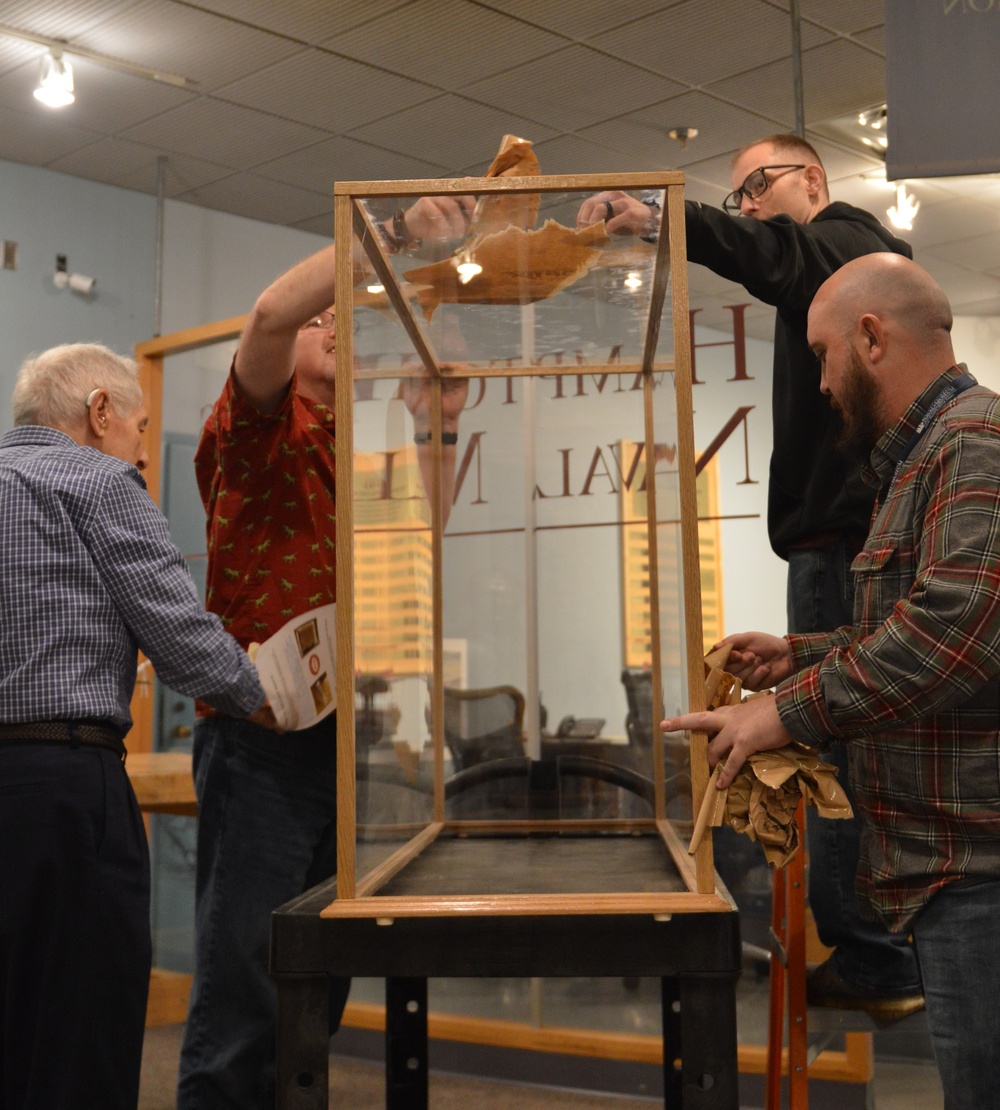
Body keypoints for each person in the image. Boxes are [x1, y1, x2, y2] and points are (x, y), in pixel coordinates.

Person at [578, 133, 922, 1016]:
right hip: (831, 549)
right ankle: (874, 952)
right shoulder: (824, 267)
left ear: (814, 178)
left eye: (756, 186)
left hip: (837, 547)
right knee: (842, 739)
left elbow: (776, 252)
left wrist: (663, 217)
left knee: (840, 746)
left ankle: (876, 958)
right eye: (735, 197)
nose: (749, 207)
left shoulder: (845, 240)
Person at [664, 253, 1000, 1106]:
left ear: (872, 337)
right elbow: (917, 620)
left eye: (822, 355)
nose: (819, 383)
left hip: (978, 869)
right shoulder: (923, 460)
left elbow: (953, 634)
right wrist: (803, 654)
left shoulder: (973, 446)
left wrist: (788, 711)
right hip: (951, 866)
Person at [177, 195, 473, 1110]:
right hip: (262, 738)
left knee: (318, 983)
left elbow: (423, 534)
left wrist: (439, 421)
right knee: (247, 989)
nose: (333, 324)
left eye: (342, 316)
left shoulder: (357, 437)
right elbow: (267, 315)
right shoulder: (256, 426)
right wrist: (384, 241)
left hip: (348, 737)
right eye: (320, 321)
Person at [0, 343, 269, 1110]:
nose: (145, 451)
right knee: (81, 1022)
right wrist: (265, 691)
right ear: (100, 412)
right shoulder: (99, 480)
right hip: (65, 789)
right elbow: (183, 642)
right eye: (142, 427)